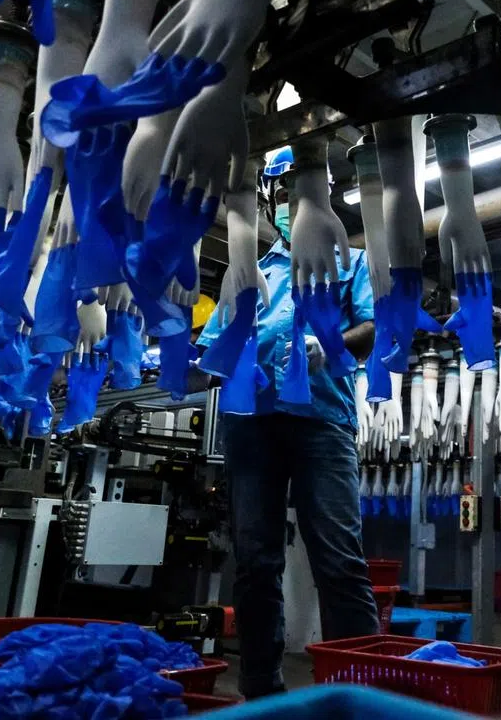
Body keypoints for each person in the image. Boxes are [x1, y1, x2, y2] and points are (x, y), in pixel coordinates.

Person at [196, 155, 379, 698]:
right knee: (255, 560)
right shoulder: (247, 269)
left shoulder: (352, 260)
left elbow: (373, 326)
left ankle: (358, 689)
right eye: (279, 193)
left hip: (322, 421)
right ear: (269, 201)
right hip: (251, 425)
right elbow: (213, 351)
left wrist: (332, 345)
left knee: (339, 558)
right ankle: (260, 687)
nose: (287, 203)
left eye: (298, 190)